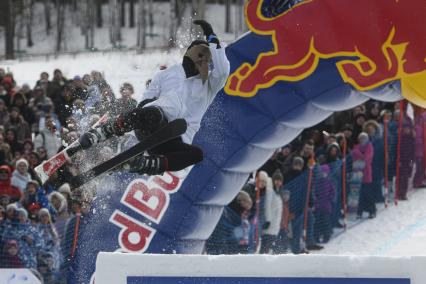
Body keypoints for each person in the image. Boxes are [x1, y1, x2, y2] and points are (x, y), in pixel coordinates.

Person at [77, 20, 230, 175]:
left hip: (175, 139)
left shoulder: (210, 84)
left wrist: (211, 36)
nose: (202, 60)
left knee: (196, 154)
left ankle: (147, 164)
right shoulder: (165, 75)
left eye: (206, 57)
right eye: (199, 55)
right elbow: (144, 102)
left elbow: (223, 70)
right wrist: (150, 106)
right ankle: (103, 131)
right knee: (154, 112)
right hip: (151, 124)